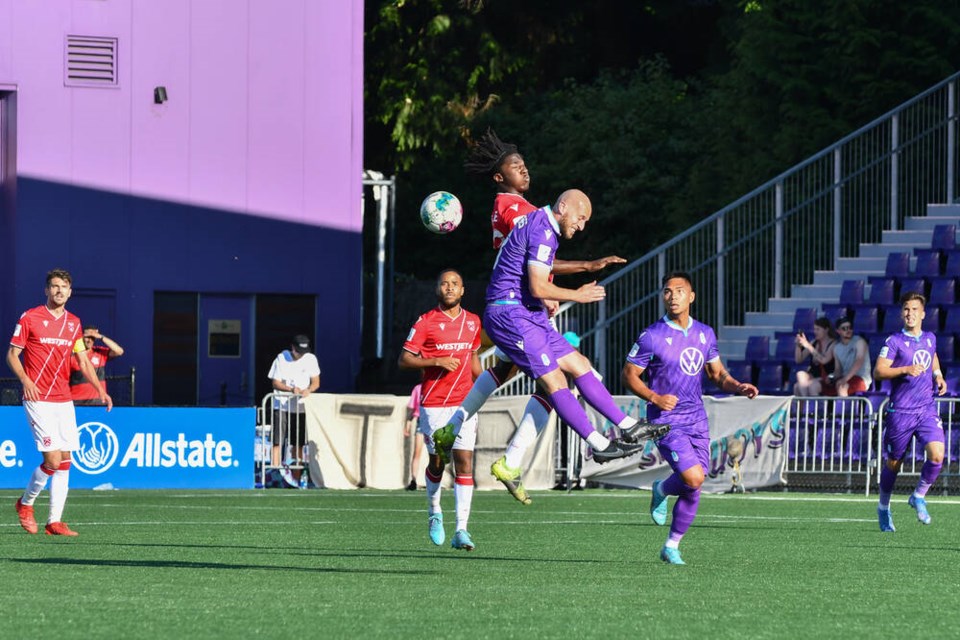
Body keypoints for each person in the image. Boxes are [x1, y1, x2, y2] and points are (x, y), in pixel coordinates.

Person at [439, 132, 650, 504]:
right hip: (516, 307)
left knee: (557, 367)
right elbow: (538, 269)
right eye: (515, 166)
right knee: (553, 381)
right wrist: (567, 289)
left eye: (524, 165)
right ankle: (541, 453)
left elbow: (534, 259)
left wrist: (584, 265)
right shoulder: (521, 211)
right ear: (498, 177)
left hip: (526, 307)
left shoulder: (520, 210)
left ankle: (463, 431)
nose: (524, 170)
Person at [622, 272, 758, 565]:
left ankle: (671, 546)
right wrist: (654, 398)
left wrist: (738, 386)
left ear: (691, 296)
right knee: (693, 476)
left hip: (696, 418)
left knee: (696, 483)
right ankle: (661, 488)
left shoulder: (705, 333)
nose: (673, 296)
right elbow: (629, 375)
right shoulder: (652, 336)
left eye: (679, 291)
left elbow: (716, 374)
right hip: (665, 419)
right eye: (668, 292)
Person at [8, 268, 113, 536]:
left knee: (66, 458)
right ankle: (25, 503)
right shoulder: (30, 317)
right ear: (46, 290)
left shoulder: (74, 323)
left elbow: (81, 360)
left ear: (70, 291)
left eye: (63, 287)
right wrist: (25, 380)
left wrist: (99, 390)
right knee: (52, 460)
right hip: (38, 397)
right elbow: (12, 355)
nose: (59, 291)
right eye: (54, 286)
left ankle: (54, 521)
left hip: (63, 399)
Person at [398, 268, 483, 550]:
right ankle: (435, 511)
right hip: (435, 404)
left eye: (455, 284)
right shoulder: (425, 322)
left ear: (462, 291)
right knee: (438, 462)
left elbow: (473, 363)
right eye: (444, 283)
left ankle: (462, 530)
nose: (449, 287)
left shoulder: (473, 322)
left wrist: (483, 388)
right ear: (438, 289)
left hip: (465, 404)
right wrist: (436, 361)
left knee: (465, 462)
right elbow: (405, 360)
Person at [872, 292, 947, 531]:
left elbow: (932, 355)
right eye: (906, 309)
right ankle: (883, 508)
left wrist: (938, 375)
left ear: (923, 314)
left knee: (937, 455)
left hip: (926, 408)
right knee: (894, 463)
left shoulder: (930, 338)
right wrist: (906, 369)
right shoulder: (893, 341)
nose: (910, 313)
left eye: (915, 309)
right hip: (901, 412)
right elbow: (879, 371)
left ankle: (918, 496)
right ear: (901, 313)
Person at [268, 334, 321, 488]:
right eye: (298, 352)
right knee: (277, 441)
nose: (301, 356)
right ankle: (276, 475)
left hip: (300, 408)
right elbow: (275, 382)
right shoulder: (281, 358)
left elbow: (316, 382)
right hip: (282, 405)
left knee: (297, 444)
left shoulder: (311, 359)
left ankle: (295, 480)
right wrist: (291, 389)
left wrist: (308, 390)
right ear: (292, 348)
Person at [69, 325, 124, 404]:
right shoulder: (72, 356)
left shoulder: (99, 353)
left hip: (97, 400)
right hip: (76, 401)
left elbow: (119, 351)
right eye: (87, 337)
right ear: (81, 338)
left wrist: (101, 337)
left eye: (92, 338)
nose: (90, 341)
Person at [793, 317, 836, 396]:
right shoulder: (814, 342)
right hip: (813, 375)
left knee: (805, 386)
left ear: (826, 330)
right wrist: (798, 345)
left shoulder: (833, 344)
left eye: (818, 329)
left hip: (826, 377)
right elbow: (799, 360)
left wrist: (807, 345)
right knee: (799, 376)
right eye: (814, 329)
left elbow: (824, 360)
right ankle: (805, 404)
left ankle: (808, 405)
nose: (815, 332)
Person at [831, 317, 872, 396]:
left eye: (850, 328)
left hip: (860, 378)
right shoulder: (836, 348)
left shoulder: (860, 342)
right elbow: (838, 370)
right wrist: (831, 377)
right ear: (838, 331)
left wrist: (844, 379)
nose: (848, 330)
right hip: (845, 378)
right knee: (817, 386)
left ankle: (844, 408)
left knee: (842, 386)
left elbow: (859, 361)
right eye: (844, 328)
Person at [404, 383, 424, 490]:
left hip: (434, 421)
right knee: (417, 452)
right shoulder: (418, 388)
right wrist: (408, 423)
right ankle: (414, 479)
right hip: (421, 421)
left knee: (436, 453)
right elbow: (412, 408)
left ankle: (434, 480)